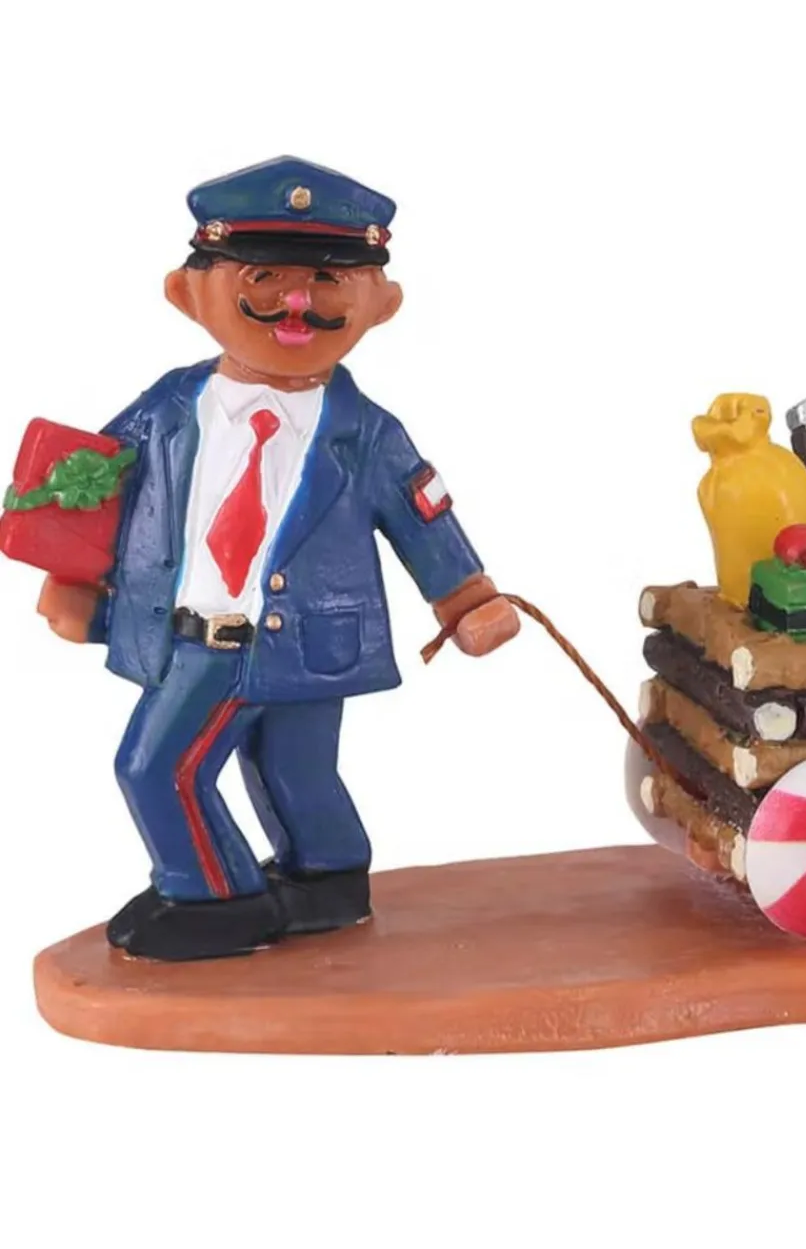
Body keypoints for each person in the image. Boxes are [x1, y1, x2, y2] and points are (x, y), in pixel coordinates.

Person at [36, 156, 520, 960]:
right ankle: (284, 879)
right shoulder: (167, 409)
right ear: (187, 294)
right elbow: (98, 488)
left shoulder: (366, 434)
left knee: (238, 769)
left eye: (328, 280)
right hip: (199, 633)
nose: (297, 302)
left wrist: (465, 597)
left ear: (383, 304)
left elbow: (421, 513)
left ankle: (235, 894)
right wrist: (76, 578)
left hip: (311, 639)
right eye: (262, 276)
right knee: (212, 765)